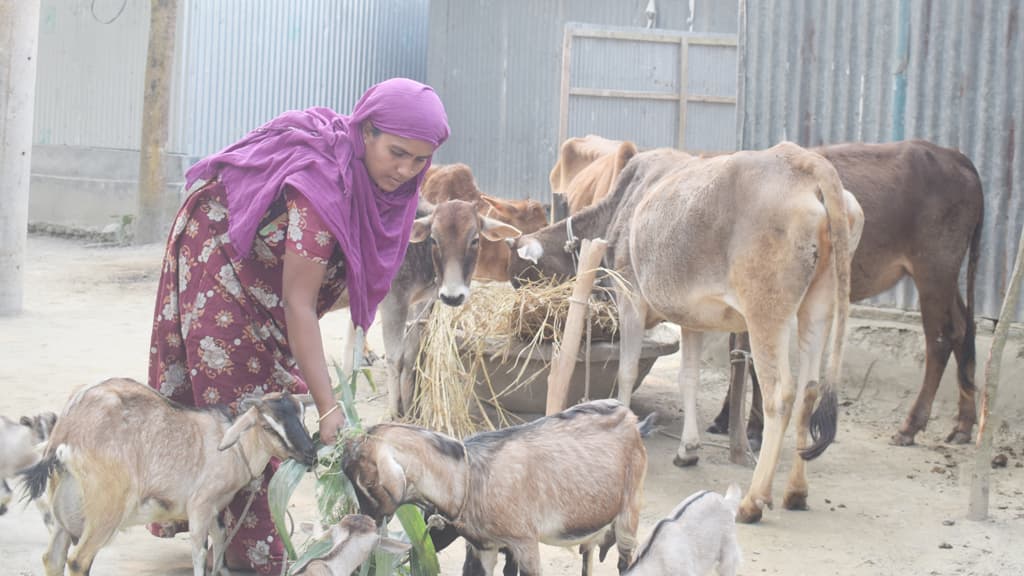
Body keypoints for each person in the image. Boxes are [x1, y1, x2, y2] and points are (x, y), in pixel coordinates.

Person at [146, 78, 449, 574]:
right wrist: (329, 407)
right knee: (249, 413)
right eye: (397, 152)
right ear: (364, 132)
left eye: (420, 160)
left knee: (270, 381)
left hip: (270, 276)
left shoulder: (392, 193)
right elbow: (299, 302)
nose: (406, 170)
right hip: (221, 253)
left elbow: (331, 286)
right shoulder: (322, 189)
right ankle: (252, 555)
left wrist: (300, 366)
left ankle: (222, 535)